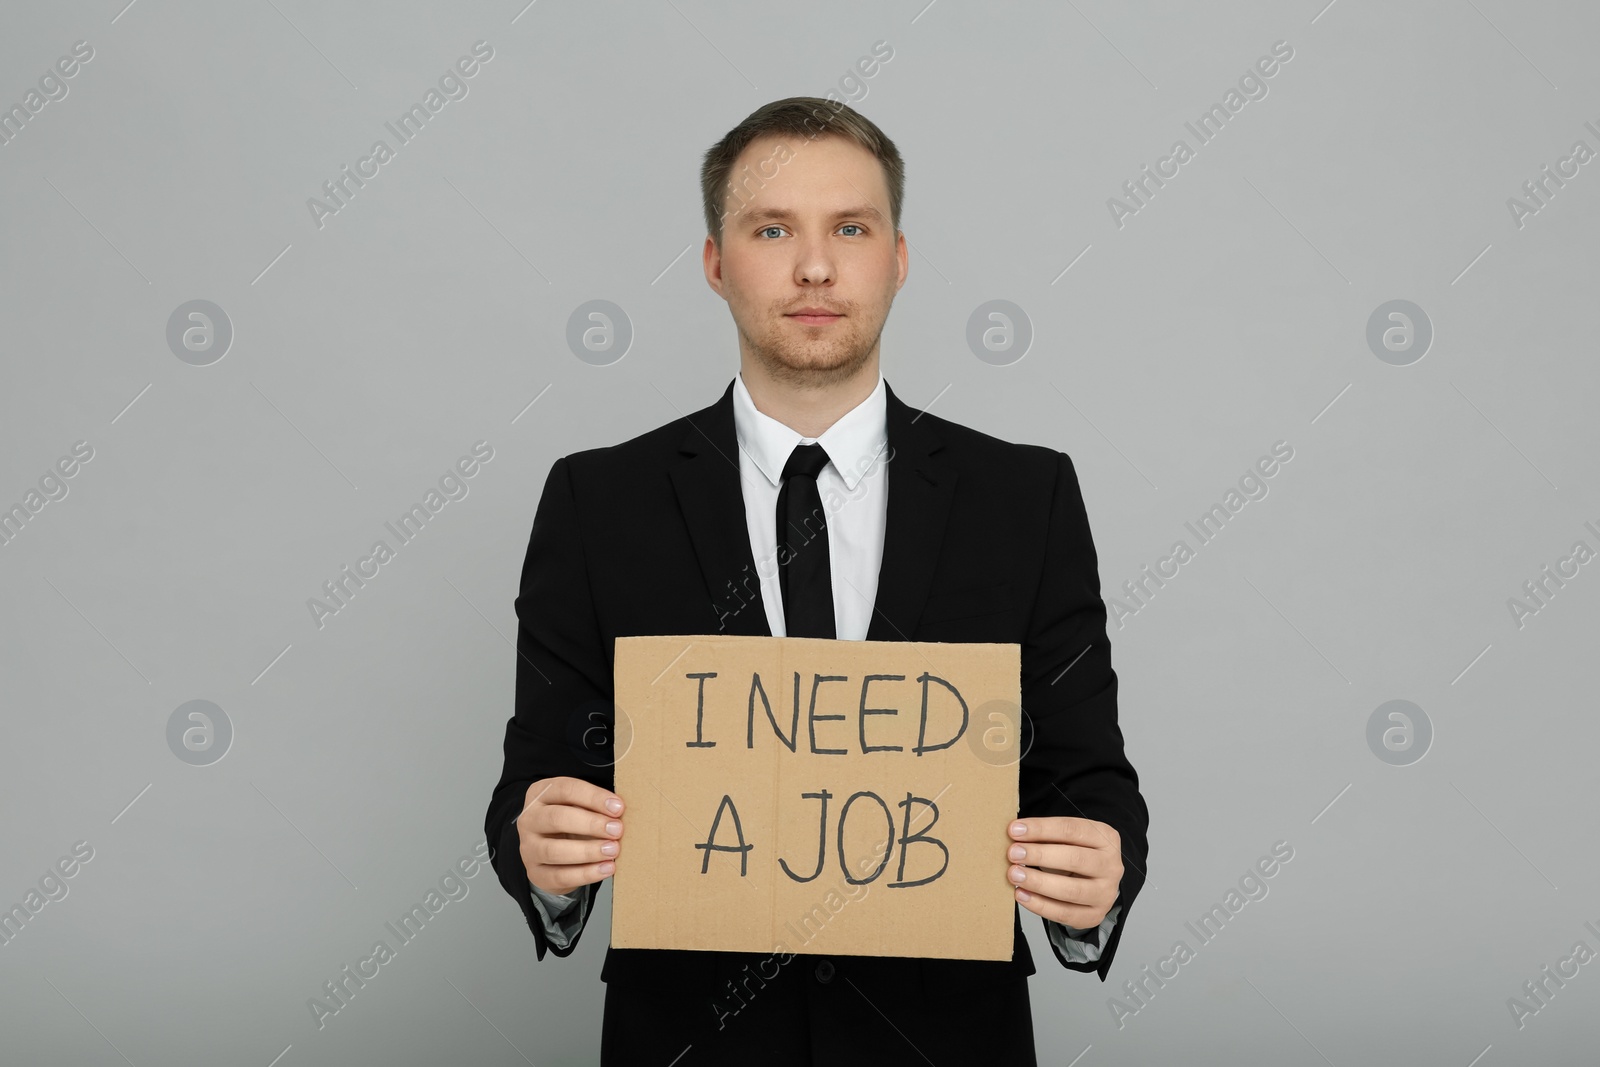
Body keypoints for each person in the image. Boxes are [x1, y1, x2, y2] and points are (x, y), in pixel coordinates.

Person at [484, 96, 1149, 1065]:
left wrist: (1094, 880)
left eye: (850, 226)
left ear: (897, 256)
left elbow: (1086, 777)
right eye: (771, 228)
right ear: (715, 262)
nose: (815, 266)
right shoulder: (597, 502)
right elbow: (536, 781)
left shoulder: (1025, 497)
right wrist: (544, 859)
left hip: (943, 1039)